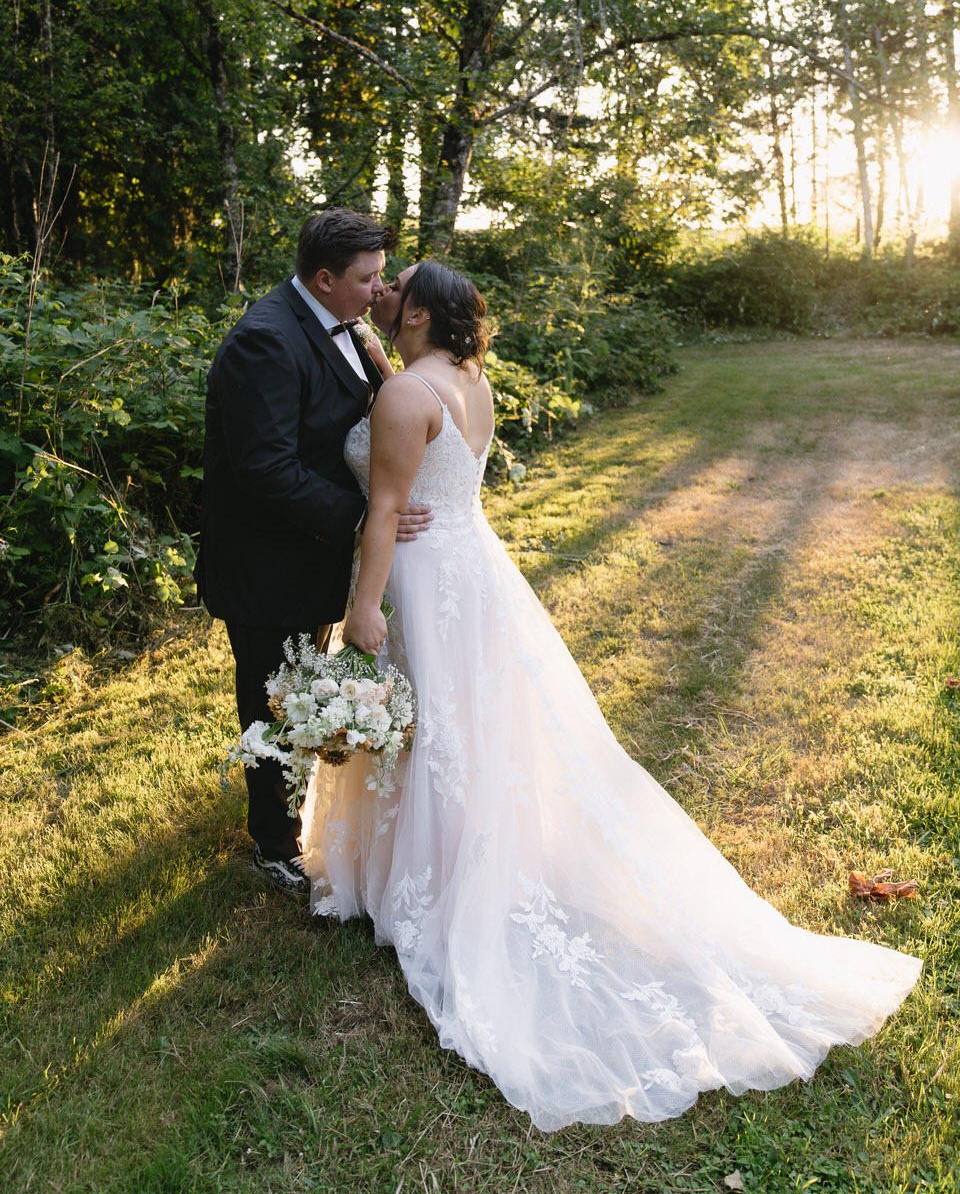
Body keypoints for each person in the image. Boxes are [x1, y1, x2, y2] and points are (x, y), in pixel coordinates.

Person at [299, 259, 921, 1130]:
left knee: (438, 730)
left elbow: (386, 508)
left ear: (423, 315)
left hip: (424, 576)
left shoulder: (406, 398)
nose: (385, 293)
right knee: (466, 730)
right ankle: (449, 854)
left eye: (397, 286)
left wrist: (364, 607)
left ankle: (446, 878)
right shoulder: (464, 380)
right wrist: (369, 343)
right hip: (474, 570)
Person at [195, 209, 429, 899]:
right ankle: (273, 843)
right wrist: (364, 520)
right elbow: (265, 467)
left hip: (312, 555)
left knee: (300, 690)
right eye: (368, 279)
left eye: (383, 275)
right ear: (324, 279)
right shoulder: (264, 341)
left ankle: (286, 805)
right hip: (266, 565)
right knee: (269, 697)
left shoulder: (342, 322)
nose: (379, 291)